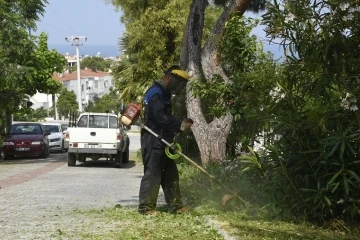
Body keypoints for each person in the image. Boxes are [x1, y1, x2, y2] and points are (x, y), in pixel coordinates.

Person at [138, 65, 193, 215]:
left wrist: (178, 125)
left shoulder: (164, 94)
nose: (178, 87)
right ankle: (146, 208)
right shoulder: (155, 93)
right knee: (153, 173)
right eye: (178, 83)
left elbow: (165, 118)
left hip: (164, 141)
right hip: (153, 139)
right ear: (169, 77)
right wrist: (179, 125)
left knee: (170, 174)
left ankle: (176, 206)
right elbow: (161, 118)